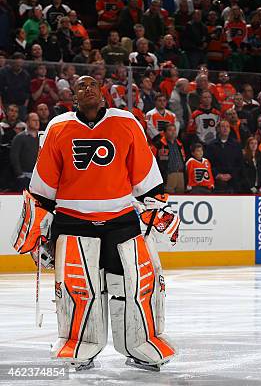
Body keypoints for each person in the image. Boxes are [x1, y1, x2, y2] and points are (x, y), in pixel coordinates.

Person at [13, 75, 177, 371]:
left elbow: (145, 174)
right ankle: (80, 345)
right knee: (78, 289)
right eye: (80, 87)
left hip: (121, 221)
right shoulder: (58, 127)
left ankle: (140, 345)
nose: (87, 89)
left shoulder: (126, 122)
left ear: (102, 94)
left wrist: (156, 204)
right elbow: (43, 188)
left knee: (135, 286)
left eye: (92, 85)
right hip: (72, 223)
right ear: (73, 97)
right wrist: (38, 230)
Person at [206, 120, 243, 193]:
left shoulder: (236, 145)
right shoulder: (211, 145)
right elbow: (208, 163)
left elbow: (239, 163)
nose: (225, 128)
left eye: (227, 126)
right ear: (218, 129)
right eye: (223, 126)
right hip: (217, 182)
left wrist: (231, 174)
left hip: (233, 181)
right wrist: (217, 174)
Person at [151, 123, 186, 193]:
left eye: (174, 130)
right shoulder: (158, 144)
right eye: (170, 130)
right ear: (164, 133)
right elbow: (152, 160)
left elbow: (183, 158)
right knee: (168, 195)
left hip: (180, 174)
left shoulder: (180, 144)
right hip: (168, 175)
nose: (173, 132)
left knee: (181, 196)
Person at [10, 112, 39, 191]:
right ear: (27, 122)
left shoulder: (42, 136)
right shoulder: (19, 138)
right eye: (34, 120)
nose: (37, 122)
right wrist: (20, 174)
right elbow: (14, 156)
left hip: (39, 177)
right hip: (25, 176)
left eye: (38, 120)